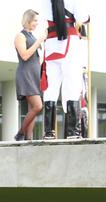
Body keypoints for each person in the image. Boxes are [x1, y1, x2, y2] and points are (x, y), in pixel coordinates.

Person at [40, 0, 89, 139]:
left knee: (51, 88)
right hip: (69, 42)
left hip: (51, 43)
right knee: (72, 86)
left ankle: (49, 132)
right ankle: (72, 132)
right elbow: (83, 17)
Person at [14, 9, 46, 141]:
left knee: (32, 108)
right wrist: (39, 42)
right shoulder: (20, 36)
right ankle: (20, 133)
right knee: (38, 106)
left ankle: (28, 138)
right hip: (25, 74)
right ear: (28, 20)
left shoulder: (31, 35)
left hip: (34, 74)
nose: (36, 23)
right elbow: (25, 55)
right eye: (35, 21)